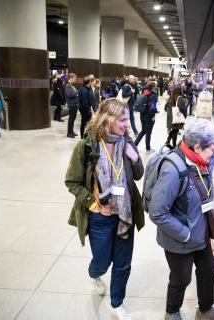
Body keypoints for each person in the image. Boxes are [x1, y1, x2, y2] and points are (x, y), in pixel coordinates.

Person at [65, 98, 144, 320]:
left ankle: (116, 303)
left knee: (123, 264)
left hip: (124, 215)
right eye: (123, 119)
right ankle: (95, 274)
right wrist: (92, 203)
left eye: (128, 118)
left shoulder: (127, 142)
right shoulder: (86, 146)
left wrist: (135, 157)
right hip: (100, 217)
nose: (127, 123)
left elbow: (138, 174)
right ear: (107, 119)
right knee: (102, 262)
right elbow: (72, 182)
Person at [149, 119, 214, 320]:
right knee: (180, 279)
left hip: (200, 233)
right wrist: (185, 234)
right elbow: (158, 212)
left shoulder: (202, 161)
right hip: (180, 239)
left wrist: (204, 234)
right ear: (197, 147)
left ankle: (205, 310)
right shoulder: (173, 169)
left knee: (207, 273)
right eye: (212, 149)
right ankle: (172, 312)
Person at [134, 81, 158, 153]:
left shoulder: (143, 92)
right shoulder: (153, 95)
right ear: (153, 87)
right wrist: (153, 114)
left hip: (142, 114)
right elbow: (153, 107)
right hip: (149, 116)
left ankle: (135, 144)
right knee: (148, 132)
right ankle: (148, 149)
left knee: (143, 130)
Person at [65, 73, 79, 138]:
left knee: (73, 119)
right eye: (74, 79)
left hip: (74, 104)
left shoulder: (70, 85)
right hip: (71, 105)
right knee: (71, 119)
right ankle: (69, 133)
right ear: (70, 78)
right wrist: (77, 92)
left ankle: (71, 131)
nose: (75, 80)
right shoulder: (67, 85)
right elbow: (70, 95)